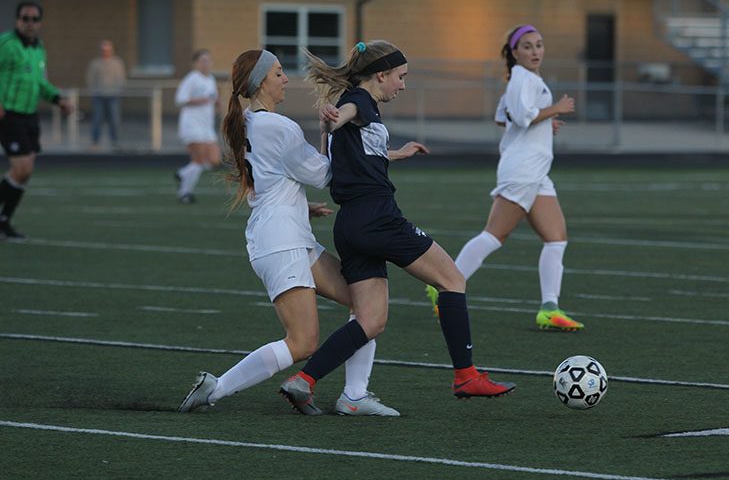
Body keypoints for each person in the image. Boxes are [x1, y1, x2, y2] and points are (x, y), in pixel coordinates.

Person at [275, 40, 515, 414]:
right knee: (452, 279)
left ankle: (304, 380)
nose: (402, 85)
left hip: (350, 224)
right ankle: (466, 375)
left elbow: (351, 152)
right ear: (381, 75)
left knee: (370, 319)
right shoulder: (359, 101)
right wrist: (333, 117)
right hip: (378, 217)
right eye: (400, 77)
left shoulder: (357, 107)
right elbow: (347, 113)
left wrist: (395, 153)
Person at [178, 49, 398, 417]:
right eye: (279, 73)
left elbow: (263, 185)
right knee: (303, 342)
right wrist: (332, 130)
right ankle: (216, 388)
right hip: (281, 243)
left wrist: (299, 205)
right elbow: (325, 174)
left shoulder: (248, 123)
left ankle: (355, 395)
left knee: (365, 307)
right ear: (262, 81)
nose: (285, 79)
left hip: (286, 235)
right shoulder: (279, 127)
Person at [426, 24, 583, 331]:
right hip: (522, 170)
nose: (535, 51)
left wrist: (544, 123)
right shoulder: (522, 79)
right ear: (515, 52)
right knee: (494, 235)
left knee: (556, 239)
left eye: (539, 45)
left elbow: (504, 117)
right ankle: (444, 284)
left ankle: (549, 309)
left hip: (536, 171)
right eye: (527, 46)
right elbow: (523, 117)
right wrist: (555, 110)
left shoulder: (523, 79)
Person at [0, 1, 74, 241]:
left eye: (34, 19)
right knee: (21, 167)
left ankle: (4, 221)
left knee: (25, 172)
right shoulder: (6, 44)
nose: (29, 23)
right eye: (25, 18)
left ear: (40, 23)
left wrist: (58, 98)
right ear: (17, 20)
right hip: (8, 113)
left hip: (29, 115)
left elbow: (40, 82)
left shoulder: (39, 48)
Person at [174, 49, 222, 204]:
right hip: (192, 124)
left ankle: (183, 173)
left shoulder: (211, 79)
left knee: (215, 160)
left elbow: (213, 97)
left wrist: (218, 102)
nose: (206, 63)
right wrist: (199, 100)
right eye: (202, 60)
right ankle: (185, 193)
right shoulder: (192, 79)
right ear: (196, 63)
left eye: (208, 60)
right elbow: (180, 99)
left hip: (206, 126)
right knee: (199, 160)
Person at [85, 39, 126, 148]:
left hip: (113, 96)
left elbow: (121, 78)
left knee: (114, 120)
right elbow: (90, 79)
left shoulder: (117, 63)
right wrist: (93, 91)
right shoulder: (95, 63)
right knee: (97, 120)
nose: (106, 52)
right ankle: (95, 142)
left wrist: (118, 90)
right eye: (104, 50)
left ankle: (115, 142)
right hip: (99, 96)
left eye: (108, 50)